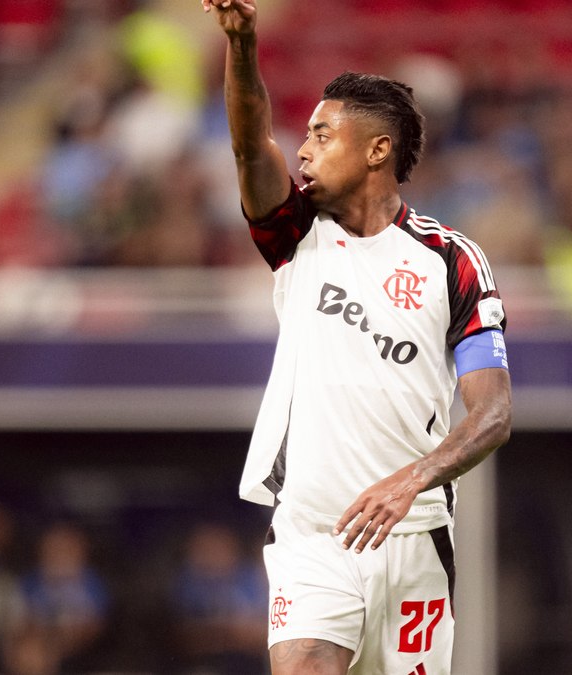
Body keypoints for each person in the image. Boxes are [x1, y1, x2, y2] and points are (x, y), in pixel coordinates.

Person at [200, 2, 513, 674]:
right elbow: (250, 144)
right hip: (313, 535)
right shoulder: (295, 232)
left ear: (378, 150)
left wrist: (413, 479)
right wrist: (242, 40)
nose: (303, 147)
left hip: (414, 538)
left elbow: (493, 413)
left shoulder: (451, 262)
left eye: (321, 133)